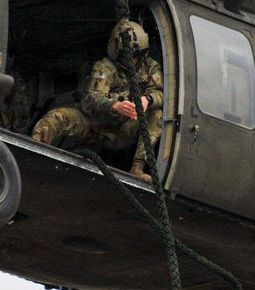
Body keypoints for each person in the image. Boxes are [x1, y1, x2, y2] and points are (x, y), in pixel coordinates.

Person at [32, 19, 163, 181]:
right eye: (130, 56)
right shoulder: (105, 67)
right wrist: (114, 106)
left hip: (125, 129)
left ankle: (137, 167)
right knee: (56, 118)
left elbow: (161, 94)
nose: (134, 61)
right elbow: (93, 98)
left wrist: (147, 100)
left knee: (156, 115)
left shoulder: (150, 67)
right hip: (97, 126)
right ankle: (34, 154)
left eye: (138, 55)